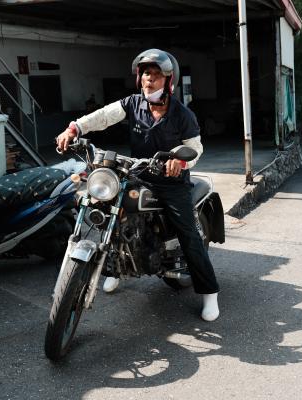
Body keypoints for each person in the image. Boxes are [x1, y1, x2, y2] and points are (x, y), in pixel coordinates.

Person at [56, 49, 220, 321]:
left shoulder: (182, 114)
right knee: (112, 214)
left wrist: (179, 162)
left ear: (169, 81)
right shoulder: (132, 104)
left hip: (171, 183)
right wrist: (75, 128)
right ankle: (112, 270)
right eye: (145, 74)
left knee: (189, 235)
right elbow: (103, 116)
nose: (149, 80)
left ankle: (210, 293)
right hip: (138, 174)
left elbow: (195, 148)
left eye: (156, 75)